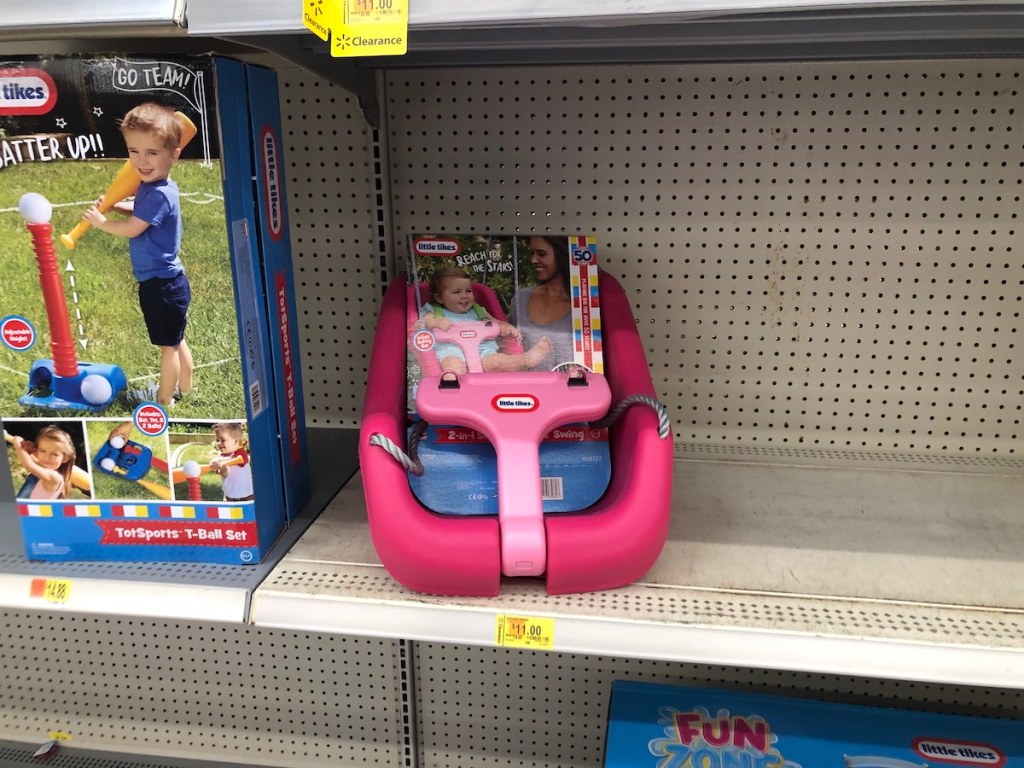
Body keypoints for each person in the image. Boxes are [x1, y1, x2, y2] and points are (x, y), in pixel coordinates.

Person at [82, 102, 194, 408]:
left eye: (151, 153)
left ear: (174, 155)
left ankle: (163, 400)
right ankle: (186, 387)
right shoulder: (155, 187)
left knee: (168, 348)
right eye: (134, 151)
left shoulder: (157, 192)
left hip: (161, 286)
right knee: (176, 339)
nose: (141, 161)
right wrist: (118, 205)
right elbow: (141, 213)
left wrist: (102, 223)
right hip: (167, 283)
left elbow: (134, 228)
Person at [419, 267, 551, 373]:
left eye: (468, 291)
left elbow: (496, 324)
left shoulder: (478, 311)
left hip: (483, 350)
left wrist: (506, 328)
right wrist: (435, 322)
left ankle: (525, 360)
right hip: (452, 350)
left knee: (497, 361)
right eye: (457, 292)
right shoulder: (435, 311)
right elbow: (419, 323)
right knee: (454, 366)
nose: (465, 296)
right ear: (439, 298)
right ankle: (452, 385)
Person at [509, 235, 577, 370]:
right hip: (528, 390)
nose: (533, 260)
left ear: (562, 254)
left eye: (541, 254)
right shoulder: (521, 299)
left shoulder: (586, 303)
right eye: (532, 253)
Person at [13, 425, 77, 500]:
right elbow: (32, 460)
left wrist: (18, 445)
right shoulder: (42, 467)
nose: (47, 457)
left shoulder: (55, 478)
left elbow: (29, 465)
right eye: (42, 451)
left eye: (54, 454)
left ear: (65, 458)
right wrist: (29, 449)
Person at [210, 422, 254, 502]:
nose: (219, 443)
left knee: (248, 513)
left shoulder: (241, 453)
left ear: (236, 441)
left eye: (223, 440)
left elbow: (239, 460)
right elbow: (221, 471)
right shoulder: (221, 456)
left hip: (247, 496)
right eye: (217, 440)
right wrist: (214, 464)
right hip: (229, 496)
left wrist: (223, 463)